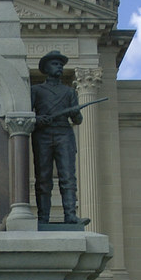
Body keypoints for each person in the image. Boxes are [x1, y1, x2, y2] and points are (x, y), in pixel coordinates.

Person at [30, 50, 85, 224]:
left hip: (64, 134)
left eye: (61, 64)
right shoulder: (36, 90)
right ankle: (43, 218)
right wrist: (38, 119)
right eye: (55, 64)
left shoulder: (69, 92)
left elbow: (78, 120)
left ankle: (70, 214)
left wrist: (76, 113)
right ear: (46, 68)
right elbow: (26, 116)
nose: (60, 67)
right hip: (43, 135)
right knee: (43, 179)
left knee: (68, 176)